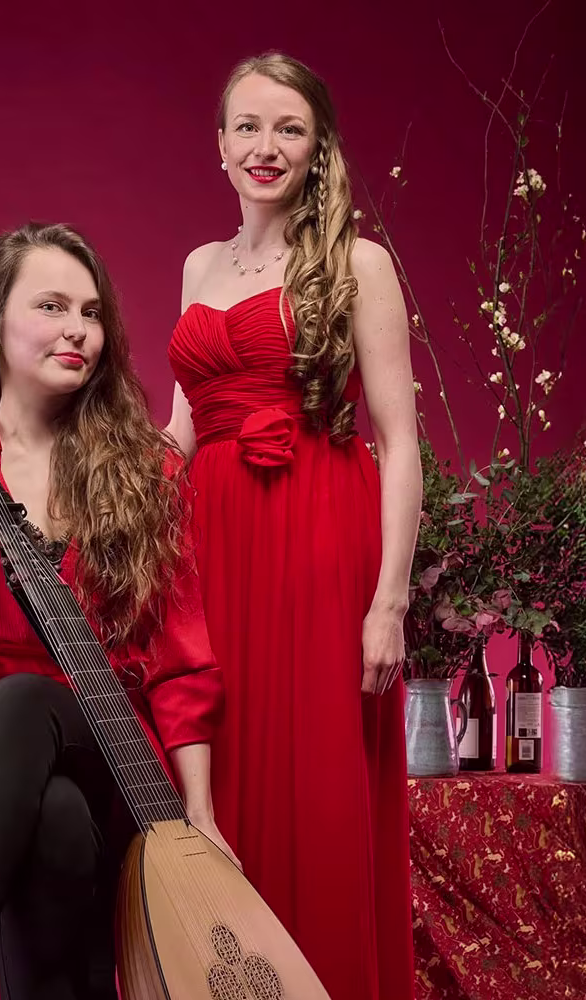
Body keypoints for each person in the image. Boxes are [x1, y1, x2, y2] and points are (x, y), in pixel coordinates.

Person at [0, 222, 231, 1000]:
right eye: (53, 306)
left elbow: (181, 659)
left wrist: (201, 816)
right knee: (55, 822)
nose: (79, 330)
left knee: (34, 703)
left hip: (105, 744)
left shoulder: (144, 468)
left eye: (92, 312)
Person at [165, 53, 421, 1000]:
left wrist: (388, 600)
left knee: (315, 788)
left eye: (289, 129)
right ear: (220, 145)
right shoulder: (198, 264)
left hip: (320, 535)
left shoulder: (359, 263)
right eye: (247, 127)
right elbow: (183, 430)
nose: (265, 147)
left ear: (319, 150)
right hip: (213, 543)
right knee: (217, 773)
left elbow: (400, 441)